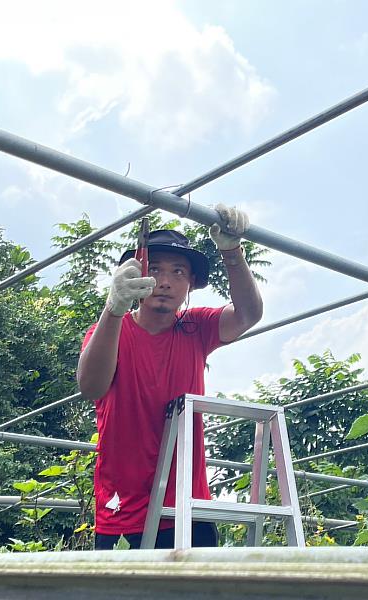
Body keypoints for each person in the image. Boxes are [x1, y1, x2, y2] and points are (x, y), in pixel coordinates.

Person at [77, 205, 263, 550]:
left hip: (186, 507)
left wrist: (232, 251)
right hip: (123, 508)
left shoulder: (196, 328)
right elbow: (91, 386)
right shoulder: (111, 330)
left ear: (191, 282)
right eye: (156, 269)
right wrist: (113, 308)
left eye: (178, 272)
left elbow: (248, 314)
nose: (164, 281)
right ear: (137, 274)